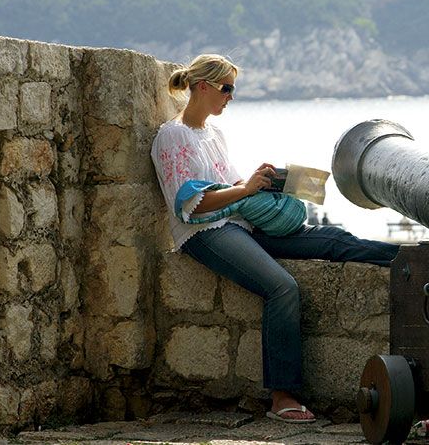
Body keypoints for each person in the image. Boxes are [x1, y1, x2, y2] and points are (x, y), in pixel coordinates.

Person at [150, 54, 399, 423]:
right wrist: (244, 189)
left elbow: (231, 186)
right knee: (282, 287)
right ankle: (282, 397)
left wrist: (260, 180)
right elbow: (187, 205)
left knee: (332, 239)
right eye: (226, 89)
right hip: (204, 233)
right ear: (203, 86)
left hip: (241, 225)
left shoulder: (213, 134)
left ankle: (406, 256)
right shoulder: (172, 137)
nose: (230, 97)